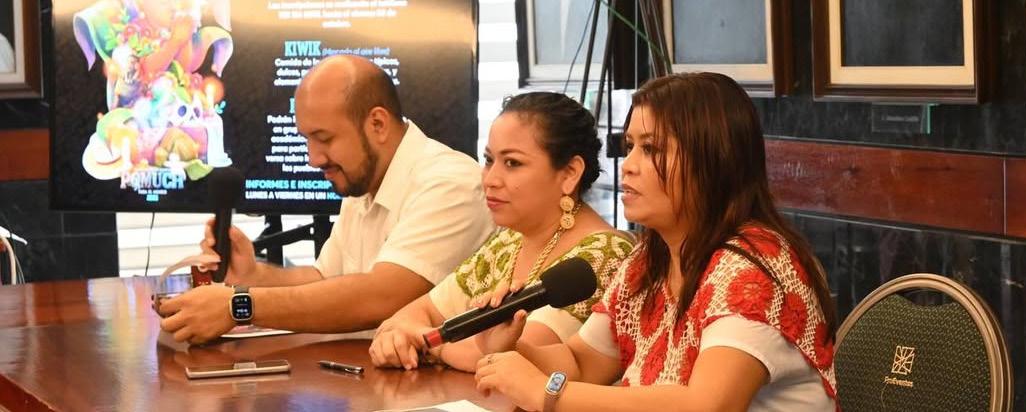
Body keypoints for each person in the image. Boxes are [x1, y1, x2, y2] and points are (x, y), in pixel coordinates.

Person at [472, 73, 839, 411]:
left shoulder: (755, 264)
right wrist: (511, 348)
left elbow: (707, 406)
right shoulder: (649, 260)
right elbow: (582, 363)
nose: (628, 164)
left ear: (712, 161)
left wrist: (546, 392)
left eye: (651, 150)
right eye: (630, 145)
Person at [158, 55, 495, 344]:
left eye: (324, 138)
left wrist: (238, 305)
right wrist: (253, 275)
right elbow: (325, 279)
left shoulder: (450, 183)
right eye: (307, 139)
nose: (313, 158)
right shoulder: (363, 177)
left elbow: (381, 297)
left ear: (378, 124)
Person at [369, 92, 633, 372]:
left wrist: (426, 342)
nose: (490, 180)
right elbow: (410, 316)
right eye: (488, 160)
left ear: (569, 173)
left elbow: (517, 352)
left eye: (512, 163)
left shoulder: (605, 253)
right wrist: (399, 337)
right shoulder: (509, 241)